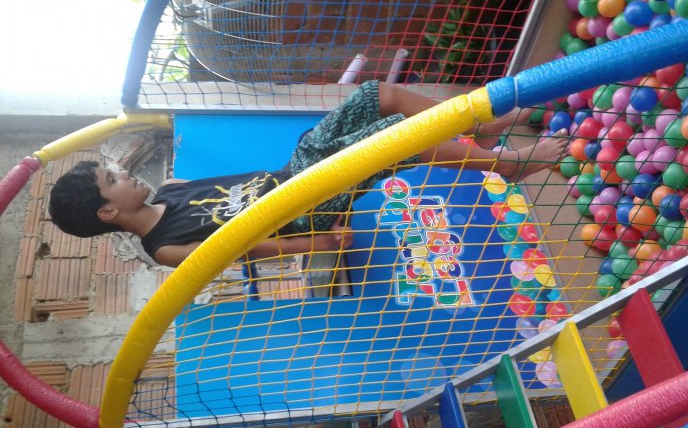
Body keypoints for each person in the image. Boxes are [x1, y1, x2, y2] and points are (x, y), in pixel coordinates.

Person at [49, 81, 568, 267]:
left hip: (293, 170)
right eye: (114, 179)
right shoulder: (165, 248)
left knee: (375, 97)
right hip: (304, 207)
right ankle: (507, 166)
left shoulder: (170, 188)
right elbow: (247, 248)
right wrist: (318, 244)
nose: (126, 175)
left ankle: (481, 125)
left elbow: (242, 184)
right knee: (391, 139)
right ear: (108, 212)